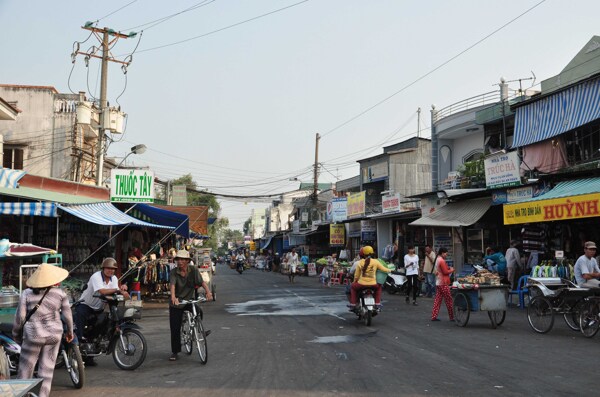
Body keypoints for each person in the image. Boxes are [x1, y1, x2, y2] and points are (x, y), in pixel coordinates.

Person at [12, 264, 73, 397]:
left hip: (33, 335)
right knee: (46, 370)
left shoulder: (26, 293)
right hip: (54, 335)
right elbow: (68, 316)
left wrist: (16, 334)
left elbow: (20, 317)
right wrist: (70, 332)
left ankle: (23, 394)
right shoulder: (60, 293)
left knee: (25, 369)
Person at [74, 257, 129, 365]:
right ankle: (76, 347)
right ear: (103, 268)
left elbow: (113, 293)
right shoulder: (96, 276)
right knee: (79, 321)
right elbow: (103, 291)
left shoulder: (114, 279)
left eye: (113, 269)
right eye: (108, 268)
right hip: (86, 304)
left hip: (98, 308)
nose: (111, 270)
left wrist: (122, 290)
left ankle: (90, 354)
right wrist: (118, 289)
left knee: (100, 326)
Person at [169, 249, 212, 361]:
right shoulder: (174, 272)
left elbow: (202, 282)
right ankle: (175, 352)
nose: (180, 262)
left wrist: (208, 292)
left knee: (199, 311)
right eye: (178, 259)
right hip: (177, 303)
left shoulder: (193, 270)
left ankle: (198, 331)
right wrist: (173, 297)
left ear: (187, 261)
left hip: (189, 300)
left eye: (183, 259)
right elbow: (172, 285)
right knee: (175, 327)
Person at [349, 246, 391, 310]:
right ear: (372, 253)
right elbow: (384, 269)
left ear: (363, 254)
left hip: (361, 284)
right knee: (379, 287)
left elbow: (356, 275)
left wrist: (354, 281)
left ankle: (353, 304)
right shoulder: (376, 262)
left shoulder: (360, 262)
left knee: (353, 287)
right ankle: (377, 303)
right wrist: (391, 270)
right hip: (373, 284)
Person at [431, 247, 455, 322]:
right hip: (443, 283)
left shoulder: (437, 259)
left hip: (438, 282)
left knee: (437, 300)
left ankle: (434, 316)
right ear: (442, 253)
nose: (446, 255)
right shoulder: (441, 260)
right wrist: (452, 270)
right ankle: (452, 317)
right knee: (449, 300)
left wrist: (448, 268)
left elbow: (442, 269)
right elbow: (445, 272)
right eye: (445, 253)